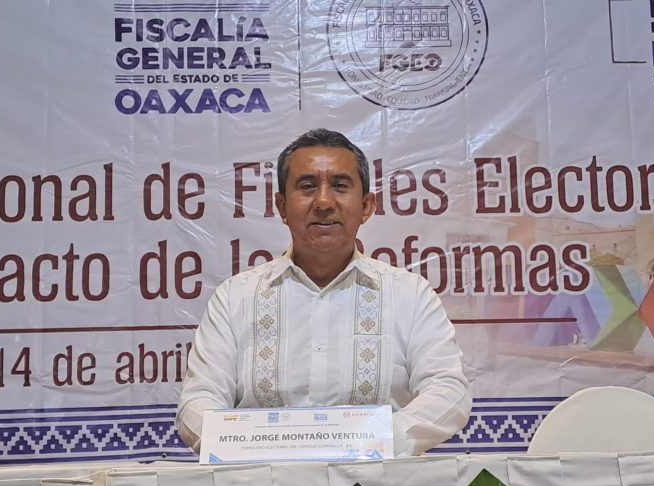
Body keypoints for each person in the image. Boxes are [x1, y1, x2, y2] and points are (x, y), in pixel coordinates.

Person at [176, 128, 472, 457]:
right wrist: (253, 448)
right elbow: (198, 400)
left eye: (340, 186)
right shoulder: (235, 298)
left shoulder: (409, 295)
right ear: (282, 205)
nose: (324, 202)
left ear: (366, 205)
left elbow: (448, 390)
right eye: (307, 187)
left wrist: (377, 442)